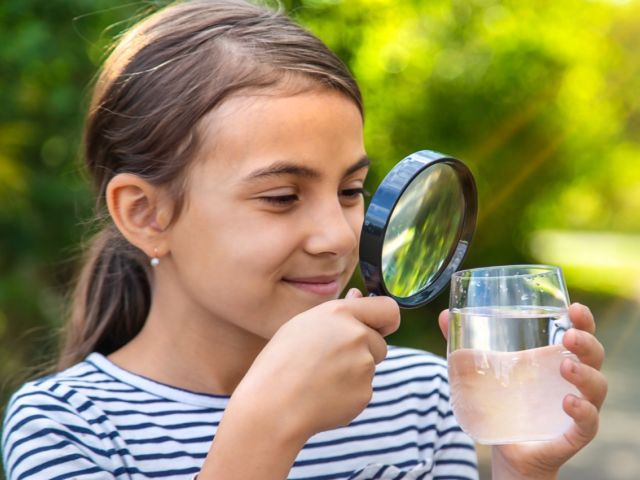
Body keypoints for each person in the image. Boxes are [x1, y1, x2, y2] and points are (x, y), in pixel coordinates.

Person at [1, 1, 607, 479]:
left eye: (350, 190)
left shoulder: (422, 397)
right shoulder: (69, 427)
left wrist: (521, 471)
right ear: (146, 214)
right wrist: (265, 430)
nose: (337, 236)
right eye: (282, 197)